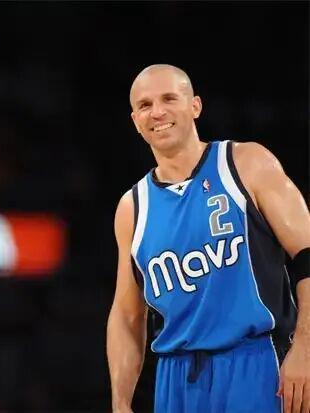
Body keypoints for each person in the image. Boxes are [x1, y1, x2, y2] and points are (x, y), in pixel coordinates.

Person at [107, 64, 310, 413]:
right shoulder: (132, 207)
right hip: (175, 377)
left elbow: (307, 255)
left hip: (257, 362)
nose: (157, 112)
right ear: (135, 121)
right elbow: (127, 316)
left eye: (169, 98)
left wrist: (305, 348)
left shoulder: (246, 162)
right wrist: (120, 402)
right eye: (145, 105)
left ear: (195, 106)